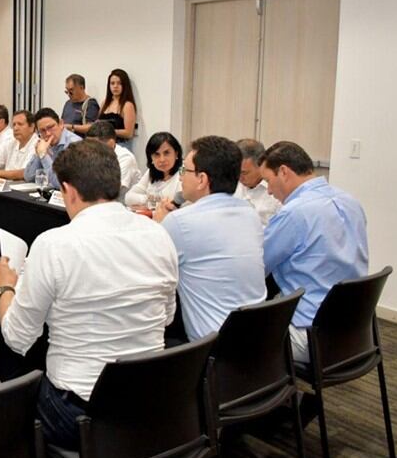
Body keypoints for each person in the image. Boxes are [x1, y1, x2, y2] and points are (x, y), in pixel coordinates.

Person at [0, 140, 178, 449]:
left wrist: (5, 288)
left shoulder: (54, 244)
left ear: (69, 191)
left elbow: (16, 337)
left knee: (10, 383)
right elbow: (168, 316)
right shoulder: (159, 234)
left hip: (79, 412)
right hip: (152, 399)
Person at [259, 141, 368, 363]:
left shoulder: (293, 213)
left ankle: (276, 396)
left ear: (284, 172)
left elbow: (258, 268)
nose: (268, 190)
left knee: (231, 338)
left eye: (268, 181)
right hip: (354, 331)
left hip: (310, 335)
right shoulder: (351, 201)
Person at [154, 136, 266, 341]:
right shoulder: (250, 214)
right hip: (258, 343)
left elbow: (151, 272)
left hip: (212, 350)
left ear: (202, 179)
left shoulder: (180, 222)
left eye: (184, 171)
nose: (180, 178)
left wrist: (159, 226)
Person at [23, 108, 82, 189]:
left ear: (61, 124)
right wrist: (39, 154)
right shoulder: (45, 143)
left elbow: (61, 183)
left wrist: (43, 155)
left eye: (50, 127)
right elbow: (28, 176)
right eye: (42, 130)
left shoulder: (75, 143)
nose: (48, 133)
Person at [124, 131, 183, 209]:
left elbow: (177, 205)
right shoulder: (151, 172)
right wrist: (149, 201)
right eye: (156, 154)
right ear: (150, 158)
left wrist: (148, 204)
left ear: (176, 153)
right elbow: (128, 198)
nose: (162, 159)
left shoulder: (184, 170)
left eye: (166, 153)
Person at [234, 138, 282, 226]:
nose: (239, 177)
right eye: (236, 171)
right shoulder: (230, 185)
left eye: (244, 172)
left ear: (260, 165)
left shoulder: (277, 189)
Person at [86, 120, 139, 190]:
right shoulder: (89, 155)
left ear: (111, 143)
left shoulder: (125, 158)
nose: (90, 149)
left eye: (94, 145)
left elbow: (115, 190)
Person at [0, 109, 38, 180]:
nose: (15, 128)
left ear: (32, 127)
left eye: (20, 124)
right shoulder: (11, 142)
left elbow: (22, 173)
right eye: (14, 124)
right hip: (5, 185)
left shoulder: (37, 144)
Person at [94, 68, 137, 147]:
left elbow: (129, 133)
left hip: (120, 146)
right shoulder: (105, 103)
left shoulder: (127, 105)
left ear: (124, 85)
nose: (115, 86)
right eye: (112, 83)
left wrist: (109, 131)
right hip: (103, 147)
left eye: (119, 83)